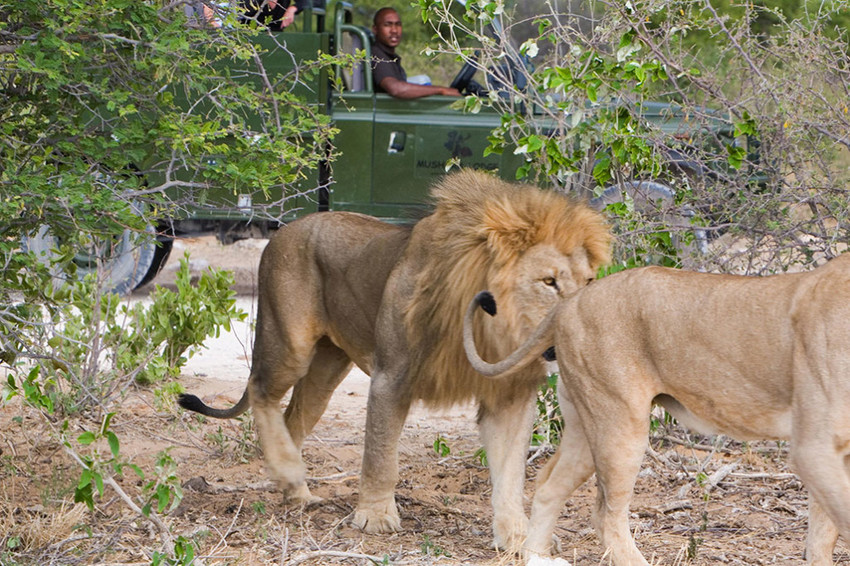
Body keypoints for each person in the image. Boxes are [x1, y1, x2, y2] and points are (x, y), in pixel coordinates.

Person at [371, 7, 461, 99]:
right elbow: (396, 89)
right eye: (387, 25)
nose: (394, 30)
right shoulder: (376, 55)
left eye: (398, 24)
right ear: (375, 29)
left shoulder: (388, 54)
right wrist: (441, 90)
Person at [240, 0, 308, 31]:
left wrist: (293, 8)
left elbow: (309, 2)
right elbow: (241, 10)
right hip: (248, 32)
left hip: (277, 34)